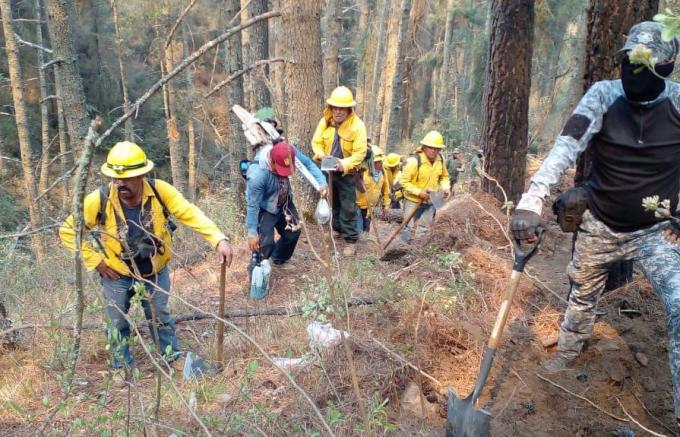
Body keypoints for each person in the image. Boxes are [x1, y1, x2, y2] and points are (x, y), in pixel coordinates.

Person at [510, 22, 680, 429]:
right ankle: (566, 357)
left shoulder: (676, 103)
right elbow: (566, 147)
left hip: (656, 233)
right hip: (600, 225)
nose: (635, 73)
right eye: (628, 62)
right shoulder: (604, 95)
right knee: (581, 299)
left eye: (647, 65)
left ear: (667, 66)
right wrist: (531, 201)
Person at [59, 141, 233, 369]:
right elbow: (68, 230)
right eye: (115, 178)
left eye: (126, 178)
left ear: (141, 175)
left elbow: (189, 212)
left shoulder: (161, 191)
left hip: (154, 271)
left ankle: (172, 358)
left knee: (159, 315)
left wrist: (217, 238)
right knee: (117, 319)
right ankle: (121, 366)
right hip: (116, 274)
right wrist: (96, 261)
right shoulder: (98, 199)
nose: (120, 183)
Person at [246, 141, 327, 271]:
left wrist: (322, 182)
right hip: (265, 208)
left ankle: (279, 258)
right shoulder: (257, 174)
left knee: (293, 231)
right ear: (271, 161)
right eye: (281, 170)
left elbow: (308, 164)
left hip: (285, 202)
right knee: (265, 244)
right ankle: (257, 273)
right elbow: (252, 205)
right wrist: (252, 232)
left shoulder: (288, 151)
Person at [311, 86, 368, 257]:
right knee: (331, 201)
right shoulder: (325, 121)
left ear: (349, 109)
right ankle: (336, 229)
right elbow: (316, 142)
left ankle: (350, 239)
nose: (338, 111)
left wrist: (344, 163)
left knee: (348, 206)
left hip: (346, 173)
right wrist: (321, 155)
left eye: (341, 108)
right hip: (327, 170)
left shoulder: (358, 126)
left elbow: (360, 153)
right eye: (335, 107)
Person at [399, 130, 451, 241]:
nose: (434, 151)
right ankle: (403, 249)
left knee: (424, 228)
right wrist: (419, 192)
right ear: (424, 147)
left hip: (430, 200)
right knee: (408, 226)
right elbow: (403, 181)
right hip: (412, 200)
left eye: (437, 149)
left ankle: (418, 250)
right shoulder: (414, 161)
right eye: (431, 148)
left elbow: (444, 177)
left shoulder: (440, 160)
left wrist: (446, 187)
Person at [355, 146, 390, 236]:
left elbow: (386, 191)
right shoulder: (362, 171)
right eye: (377, 162)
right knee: (359, 230)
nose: (380, 164)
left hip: (370, 209)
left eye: (380, 161)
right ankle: (354, 246)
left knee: (366, 230)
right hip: (357, 205)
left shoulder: (383, 172)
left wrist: (386, 205)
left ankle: (363, 248)